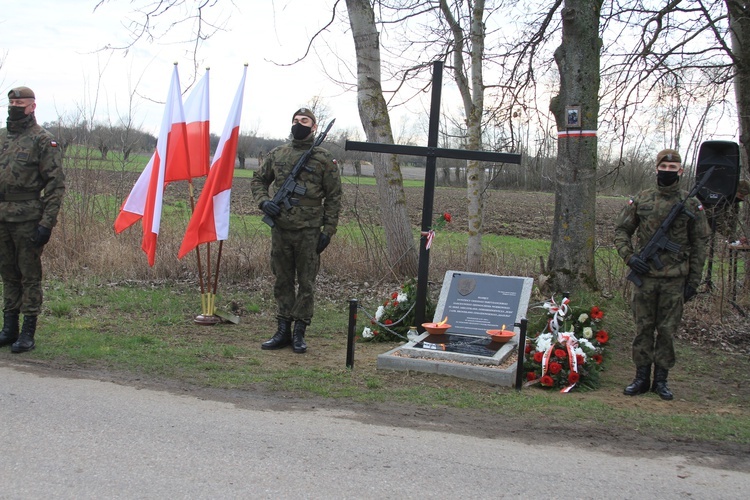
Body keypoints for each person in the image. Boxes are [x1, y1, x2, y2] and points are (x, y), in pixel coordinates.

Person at [614, 149, 709, 400]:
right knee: (642, 329)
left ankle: (662, 381)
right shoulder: (642, 199)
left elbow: (700, 245)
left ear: (681, 170)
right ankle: (641, 378)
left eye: (673, 167)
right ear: (656, 168)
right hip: (644, 278)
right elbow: (621, 230)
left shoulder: (691, 205)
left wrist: (693, 282)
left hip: (675, 280)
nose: (668, 171)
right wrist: (630, 257)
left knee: (667, 332)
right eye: (663, 167)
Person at [250, 108, 342, 354]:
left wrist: (328, 230)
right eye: (295, 121)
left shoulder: (324, 159)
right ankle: (283, 330)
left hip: (309, 231)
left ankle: (300, 331)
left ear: (313, 127)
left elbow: (334, 197)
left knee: (306, 282)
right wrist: (263, 202)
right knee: (282, 280)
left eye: (304, 121)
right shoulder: (278, 153)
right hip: (281, 229)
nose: (298, 124)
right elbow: (258, 180)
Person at [0, 86, 66, 353]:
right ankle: (9, 328)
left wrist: (46, 224)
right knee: (8, 274)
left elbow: (55, 185)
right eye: (12, 102)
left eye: (20, 102)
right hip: (2, 217)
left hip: (28, 218)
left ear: (32, 106)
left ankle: (28, 332)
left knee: (29, 276)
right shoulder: (3, 137)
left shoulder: (43, 140)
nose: (15, 106)